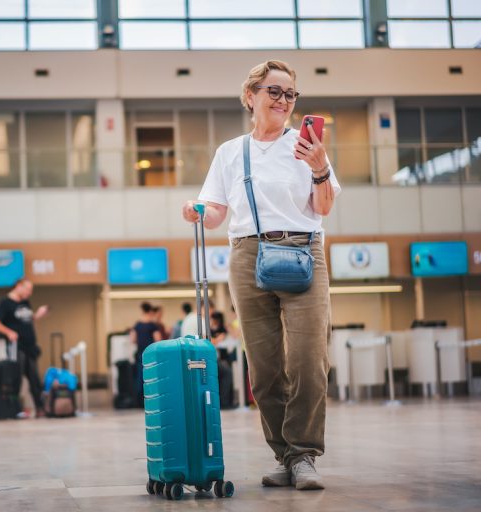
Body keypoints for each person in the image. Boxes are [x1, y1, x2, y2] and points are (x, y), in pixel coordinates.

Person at [182, 60, 341, 490]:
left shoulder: (307, 148)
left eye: (291, 94)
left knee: (309, 359)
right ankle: (286, 456)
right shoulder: (231, 152)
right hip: (247, 253)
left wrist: (320, 165)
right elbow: (216, 211)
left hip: (303, 250)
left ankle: (304, 453)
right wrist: (199, 212)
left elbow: (324, 207)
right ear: (251, 95)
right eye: (275, 92)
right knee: (265, 368)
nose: (284, 101)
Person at [0, 278, 49, 418]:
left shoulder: (25, 302)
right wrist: (8, 332)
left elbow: (25, 320)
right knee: (15, 378)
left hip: (30, 346)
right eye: (28, 289)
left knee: (34, 379)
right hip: (16, 346)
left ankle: (40, 408)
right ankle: (14, 409)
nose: (30, 293)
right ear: (18, 286)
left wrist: (37, 316)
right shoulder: (5, 303)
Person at [130, 302, 163, 406]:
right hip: (151, 355)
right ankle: (151, 399)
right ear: (150, 311)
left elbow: (133, 339)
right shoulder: (153, 326)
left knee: (140, 377)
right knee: (152, 377)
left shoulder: (137, 325)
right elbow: (158, 340)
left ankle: (139, 401)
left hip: (140, 354)